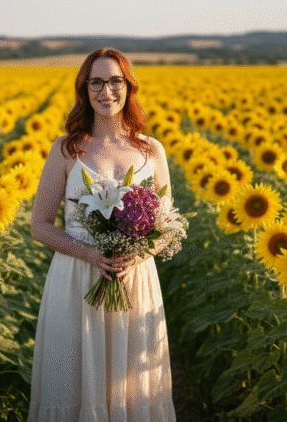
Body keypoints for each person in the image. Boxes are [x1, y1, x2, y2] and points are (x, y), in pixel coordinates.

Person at [28, 48, 177, 422]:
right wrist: (90, 253)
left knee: (130, 385)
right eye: (96, 82)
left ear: (129, 87)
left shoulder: (151, 150)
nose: (106, 90)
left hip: (133, 280)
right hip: (76, 279)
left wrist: (136, 255)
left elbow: (166, 225)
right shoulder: (65, 150)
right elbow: (40, 225)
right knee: (76, 380)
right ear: (85, 89)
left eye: (115, 81)